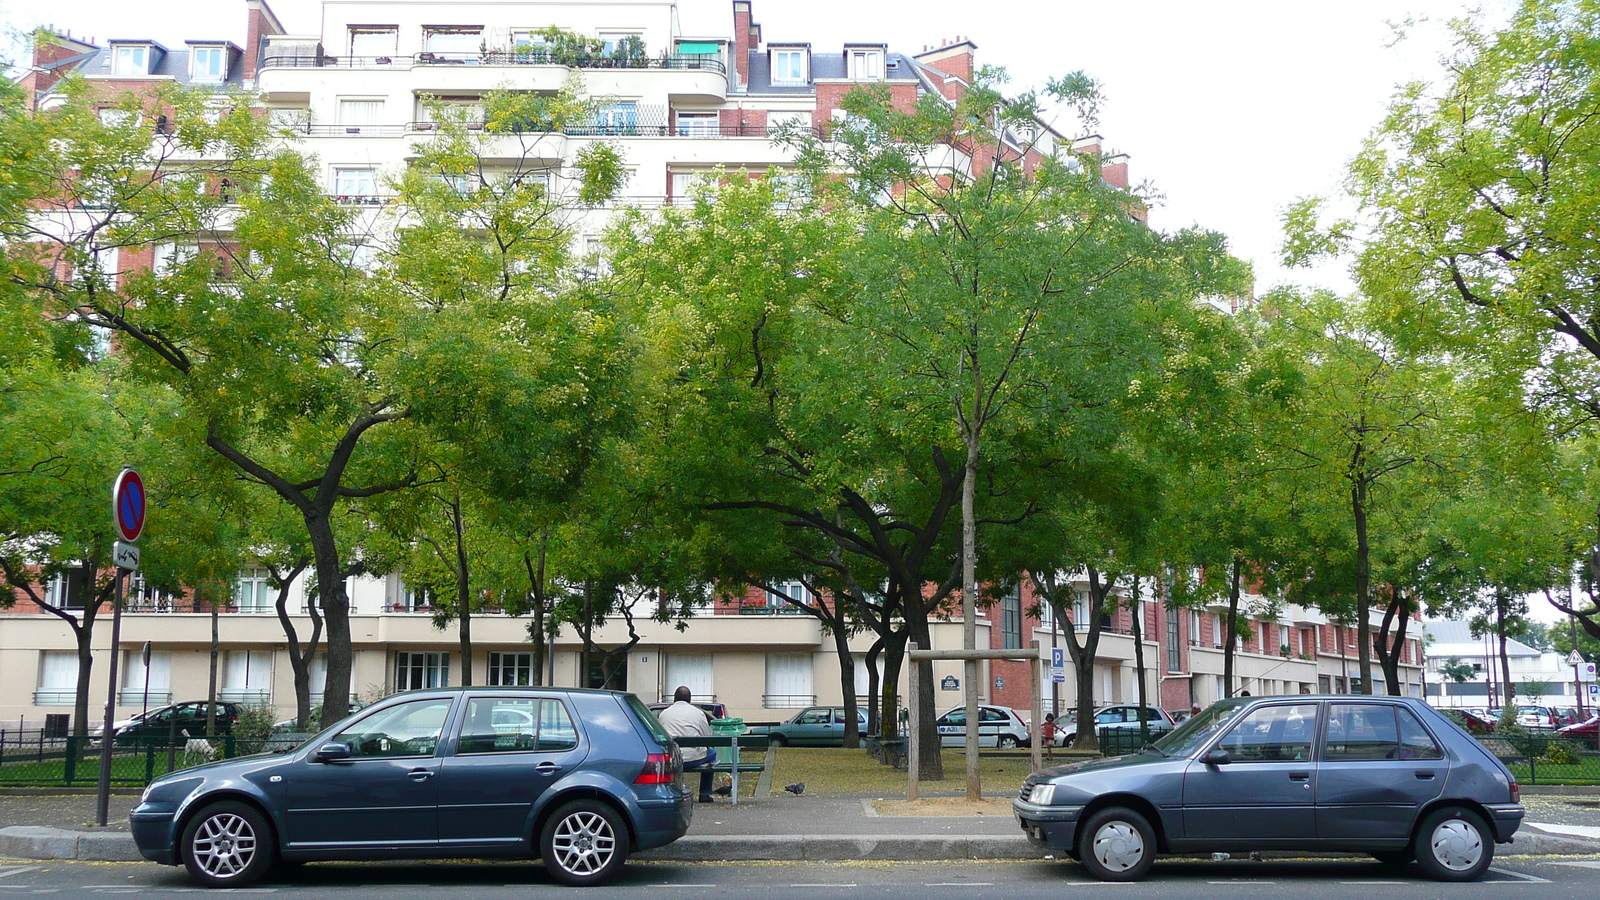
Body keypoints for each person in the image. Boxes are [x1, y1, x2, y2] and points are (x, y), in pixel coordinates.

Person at [657, 686, 716, 803]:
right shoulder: (698, 713)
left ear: (674, 699)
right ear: (689, 699)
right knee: (712, 753)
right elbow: (708, 737)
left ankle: (673, 791)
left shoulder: (664, 714)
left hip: (672, 759)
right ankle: (705, 793)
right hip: (694, 758)